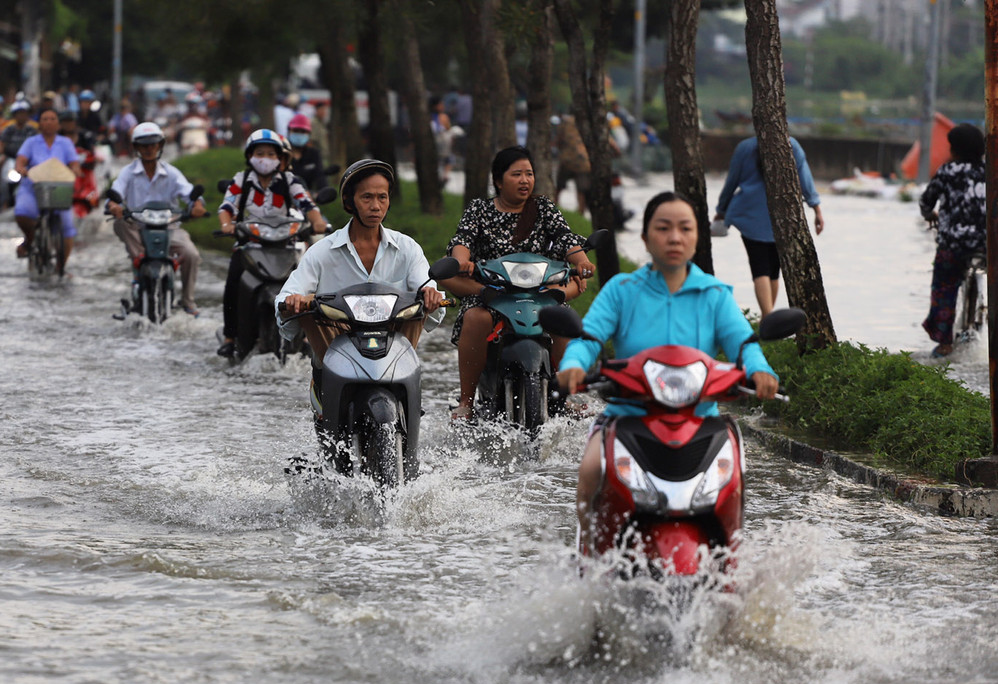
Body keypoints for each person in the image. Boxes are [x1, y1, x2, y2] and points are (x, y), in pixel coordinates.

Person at [555, 192, 780, 544]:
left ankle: (730, 557)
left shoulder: (715, 294)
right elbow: (588, 338)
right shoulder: (622, 290)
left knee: (733, 478)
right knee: (590, 470)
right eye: (663, 228)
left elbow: (744, 344)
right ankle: (588, 551)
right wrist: (573, 364)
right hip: (627, 415)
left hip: (700, 420)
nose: (674, 237)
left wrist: (760, 371)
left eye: (685, 228)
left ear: (696, 238)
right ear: (645, 238)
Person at [439, 146, 595, 420]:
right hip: (491, 293)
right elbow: (462, 240)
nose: (525, 180)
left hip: (539, 293)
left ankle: (566, 395)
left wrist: (581, 261)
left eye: (529, 174)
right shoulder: (480, 210)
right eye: (517, 174)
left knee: (564, 319)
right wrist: (463, 261)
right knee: (476, 318)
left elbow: (565, 238)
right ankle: (466, 402)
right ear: (498, 180)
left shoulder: (544, 208)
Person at [277, 159, 446, 361]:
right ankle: (326, 380)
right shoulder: (321, 251)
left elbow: (427, 287)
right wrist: (293, 300)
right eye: (367, 197)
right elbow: (286, 296)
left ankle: (404, 373)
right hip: (335, 344)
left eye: (382, 197)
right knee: (307, 310)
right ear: (349, 202)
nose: (375, 206)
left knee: (418, 308)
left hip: (394, 348)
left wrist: (431, 296)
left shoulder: (407, 248)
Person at [216, 129, 328, 358]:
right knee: (233, 282)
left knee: (310, 283)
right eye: (260, 153)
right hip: (250, 245)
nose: (265, 158)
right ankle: (230, 336)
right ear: (250, 156)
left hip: (284, 246)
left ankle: (308, 335)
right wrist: (227, 225)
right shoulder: (242, 180)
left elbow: (308, 205)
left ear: (279, 158)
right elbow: (227, 207)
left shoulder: (289, 181)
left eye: (270, 153)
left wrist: (317, 223)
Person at [713, 135, 824, 318]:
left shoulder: (744, 147)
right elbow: (806, 180)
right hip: (782, 216)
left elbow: (731, 181)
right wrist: (817, 210)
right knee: (774, 270)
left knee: (760, 267)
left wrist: (721, 209)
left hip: (749, 215)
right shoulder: (792, 145)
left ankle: (767, 316)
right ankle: (768, 317)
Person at [107, 121, 208, 317]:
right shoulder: (128, 172)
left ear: (160, 146)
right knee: (119, 223)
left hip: (168, 227)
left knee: (191, 254)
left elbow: (189, 194)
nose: (148, 150)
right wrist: (114, 206)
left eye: (153, 145)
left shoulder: (171, 173)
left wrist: (196, 206)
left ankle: (188, 301)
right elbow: (115, 194)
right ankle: (139, 260)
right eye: (143, 146)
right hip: (137, 227)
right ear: (136, 148)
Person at [919, 122, 986, 357]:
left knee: (944, 287)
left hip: (953, 246)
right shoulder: (990, 172)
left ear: (955, 149)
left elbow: (927, 201)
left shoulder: (947, 171)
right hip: (987, 246)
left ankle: (945, 343)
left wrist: (930, 214)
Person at [12, 105, 80, 276]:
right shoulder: (31, 142)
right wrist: (21, 169)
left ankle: (61, 267)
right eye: (45, 119)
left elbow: (74, 163)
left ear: (58, 124)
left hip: (58, 190)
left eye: (52, 119)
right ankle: (30, 240)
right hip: (33, 188)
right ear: (39, 124)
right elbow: (20, 161)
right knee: (22, 212)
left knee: (67, 226)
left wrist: (75, 170)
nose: (49, 122)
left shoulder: (65, 143)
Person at [0, 99, 38, 210]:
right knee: (0, 165)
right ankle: (2, 200)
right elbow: (1, 144)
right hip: (11, 159)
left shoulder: (32, 130)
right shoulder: (9, 129)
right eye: (19, 113)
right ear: (14, 115)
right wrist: (2, 153)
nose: (21, 116)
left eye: (24, 113)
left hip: (28, 162)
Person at [286, 113, 327, 193]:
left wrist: (320, 194)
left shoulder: (314, 154)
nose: (299, 134)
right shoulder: (282, 154)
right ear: (289, 131)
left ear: (308, 134)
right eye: (296, 131)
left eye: (303, 131)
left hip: (308, 199)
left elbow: (321, 179)